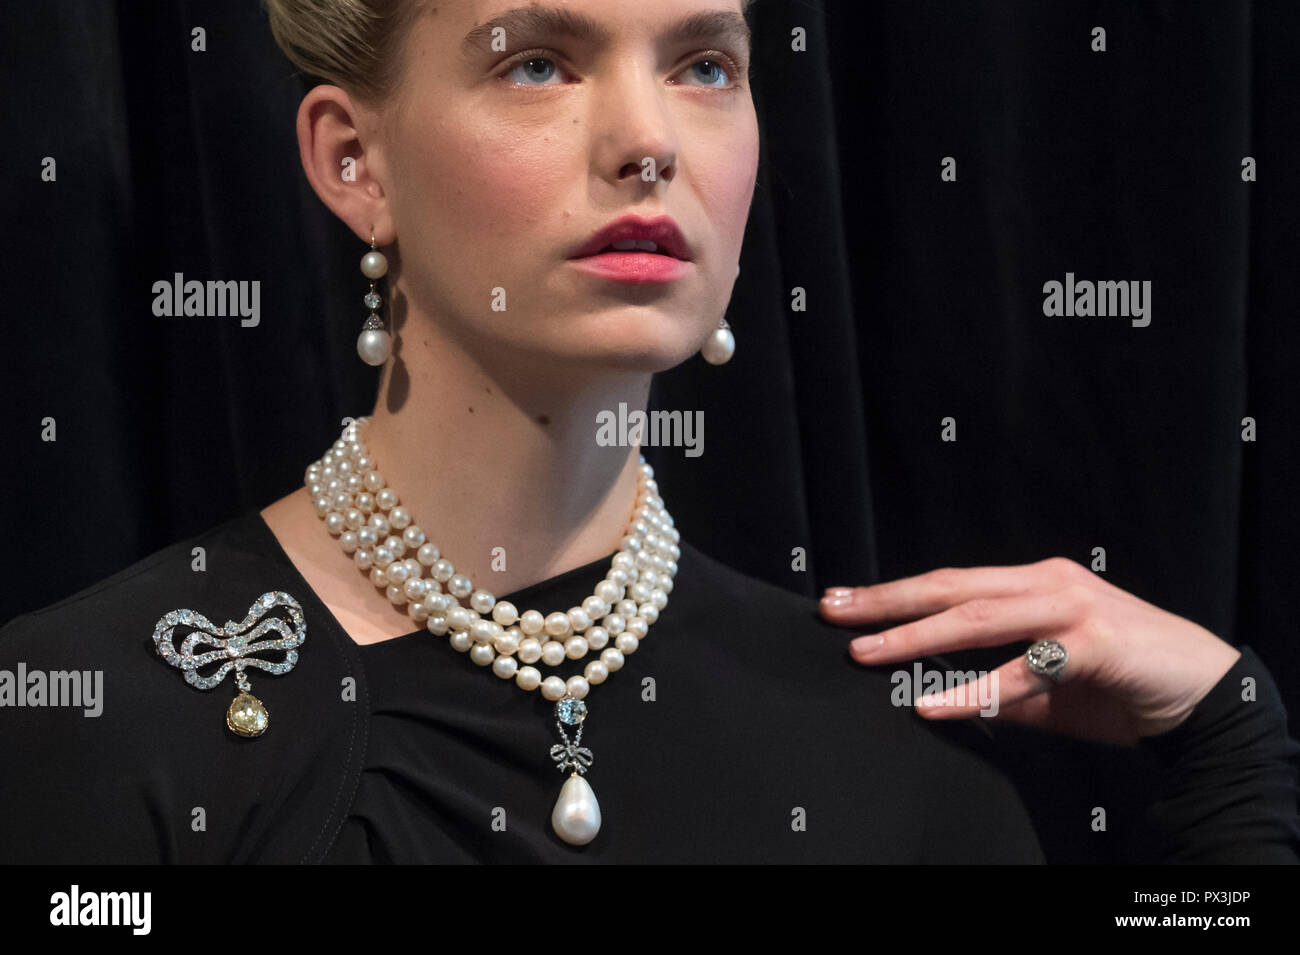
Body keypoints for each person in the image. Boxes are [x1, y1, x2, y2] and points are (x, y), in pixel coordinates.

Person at [1, 0, 1296, 863]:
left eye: (705, 67)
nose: (646, 143)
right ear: (356, 162)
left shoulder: (899, 776)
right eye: (538, 62)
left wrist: (1227, 740)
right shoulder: (91, 720)